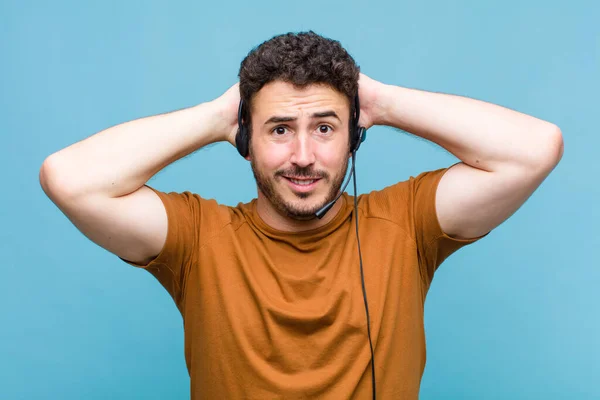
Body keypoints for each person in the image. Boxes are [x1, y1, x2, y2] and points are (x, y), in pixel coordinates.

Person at [39, 31, 563, 399]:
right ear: (246, 139)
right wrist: (220, 116)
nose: (305, 156)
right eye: (280, 129)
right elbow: (69, 178)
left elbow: (536, 148)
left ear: (355, 136)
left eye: (327, 127)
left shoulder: (406, 224)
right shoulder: (198, 239)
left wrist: (378, 101)